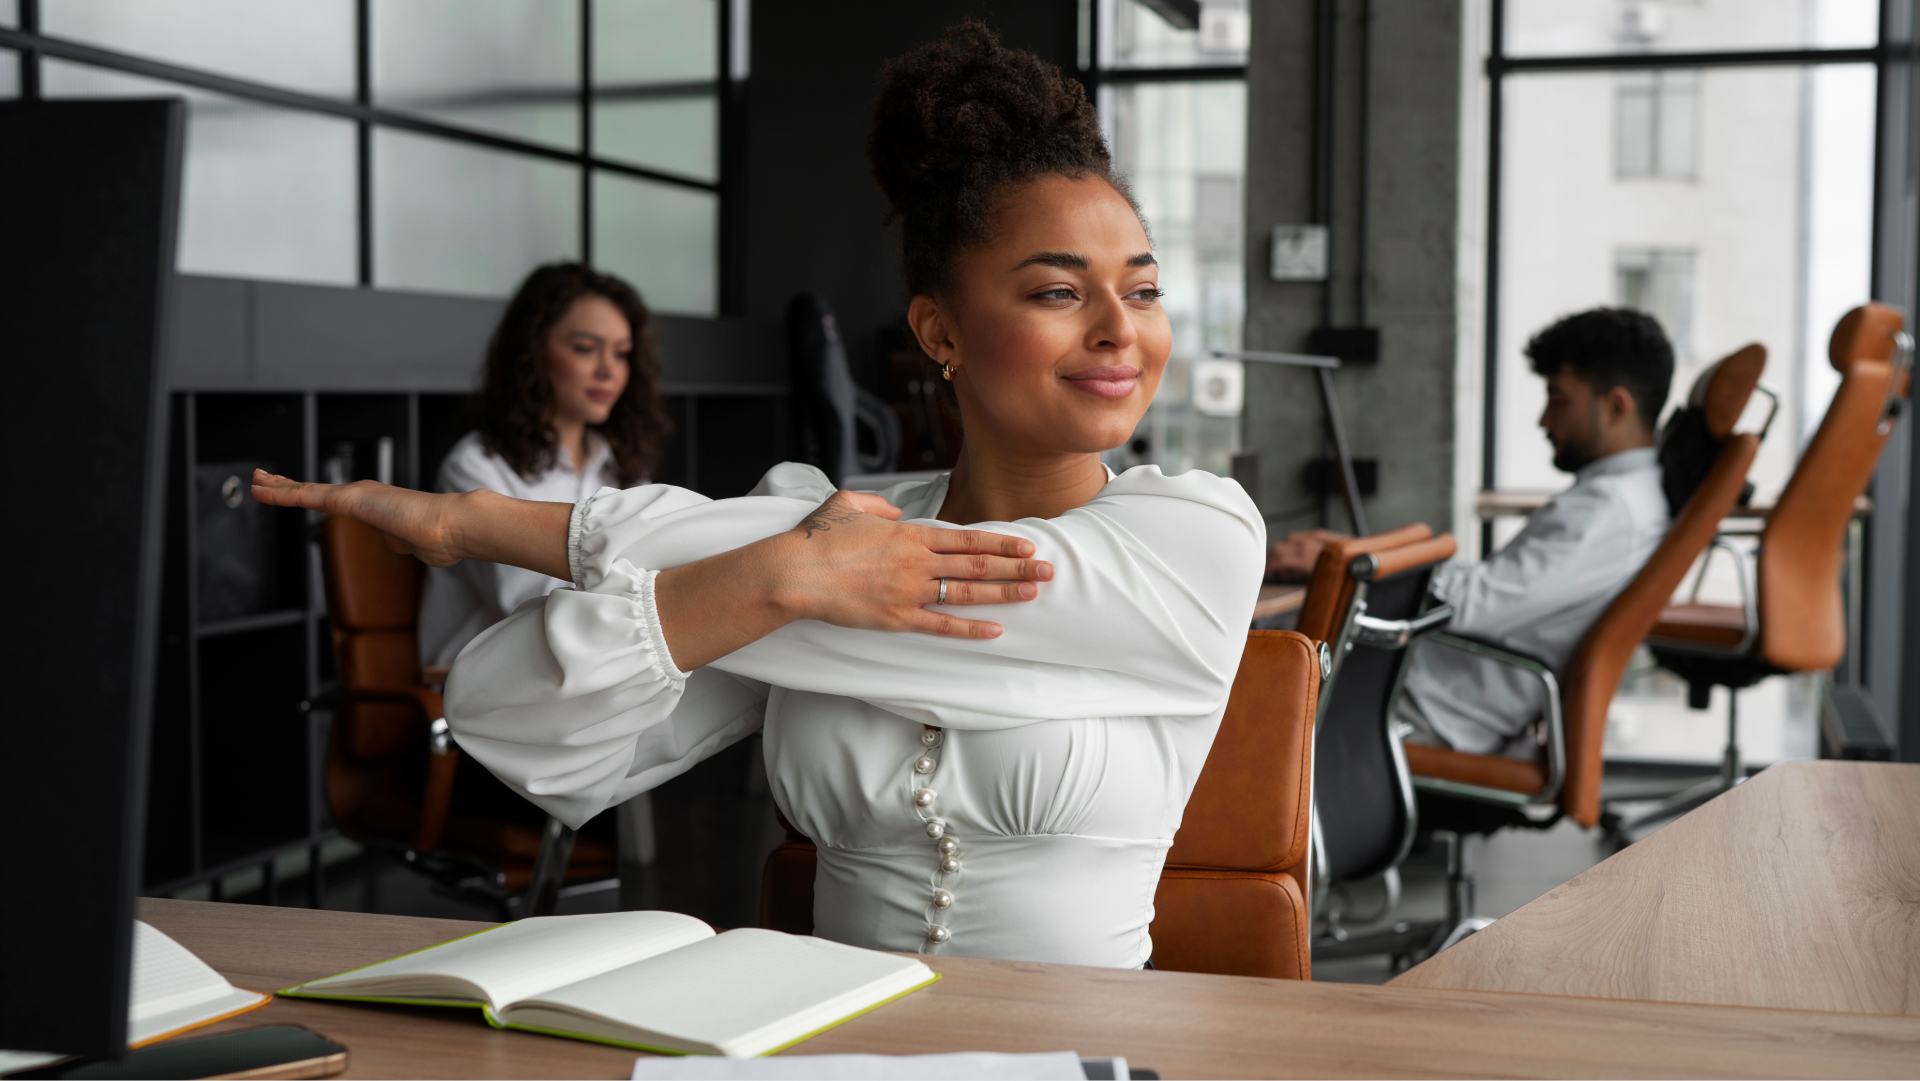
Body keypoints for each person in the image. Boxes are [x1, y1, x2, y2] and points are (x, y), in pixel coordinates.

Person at [252, 24, 1265, 970]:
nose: (1119, 330)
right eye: (1058, 291)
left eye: (1141, 288)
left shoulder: (1195, 538)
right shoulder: (813, 528)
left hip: (1069, 1058)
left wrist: (496, 528)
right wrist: (780, 574)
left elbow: (951, 586)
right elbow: (502, 711)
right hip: (821, 1047)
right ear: (939, 332)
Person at [1272, 308, 1675, 757]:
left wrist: (1351, 560)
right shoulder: (1633, 497)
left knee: (1245, 672)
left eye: (1559, 400)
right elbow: (1498, 593)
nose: (1545, 420)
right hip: (1432, 689)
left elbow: (1474, 602)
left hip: (1426, 707)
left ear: (1616, 406)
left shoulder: (1609, 510)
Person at [418, 263, 671, 668]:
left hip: (595, 665)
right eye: (586, 349)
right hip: (494, 681)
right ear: (535, 352)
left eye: (622, 354)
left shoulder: (618, 465)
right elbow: (533, 604)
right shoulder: (476, 467)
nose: (609, 370)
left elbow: (658, 567)